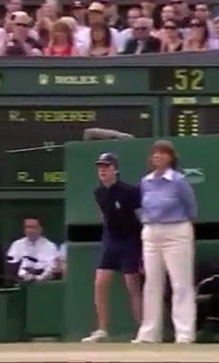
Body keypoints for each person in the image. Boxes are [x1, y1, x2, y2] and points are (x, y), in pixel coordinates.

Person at [133, 140, 197, 344]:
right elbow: (141, 206)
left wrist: (174, 222)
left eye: (162, 153)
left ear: (171, 157)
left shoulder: (179, 181)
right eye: (154, 154)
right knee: (152, 283)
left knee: (180, 284)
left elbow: (191, 208)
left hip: (177, 232)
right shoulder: (145, 182)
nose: (157, 156)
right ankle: (149, 333)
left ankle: (184, 334)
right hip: (151, 234)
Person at [82, 153, 143, 343]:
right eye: (100, 167)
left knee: (132, 286)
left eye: (106, 167)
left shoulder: (130, 191)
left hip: (130, 241)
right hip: (111, 242)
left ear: (115, 169)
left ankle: (142, 330)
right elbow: (105, 216)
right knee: (99, 283)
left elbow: (141, 216)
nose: (102, 170)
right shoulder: (98, 193)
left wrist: (141, 245)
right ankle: (102, 329)